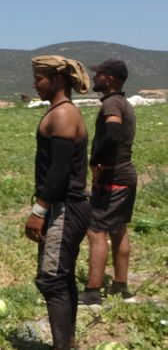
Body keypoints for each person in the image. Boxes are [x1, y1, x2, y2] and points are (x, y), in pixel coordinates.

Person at [25, 55, 91, 350]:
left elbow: (60, 172)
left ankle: (63, 346)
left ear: (57, 79)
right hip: (66, 207)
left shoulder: (63, 115)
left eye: (39, 78)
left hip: (64, 208)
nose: (35, 84)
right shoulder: (60, 112)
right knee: (61, 279)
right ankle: (68, 343)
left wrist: (39, 210)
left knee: (52, 280)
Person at [81, 59, 138, 306]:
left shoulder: (112, 103)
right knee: (118, 229)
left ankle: (93, 292)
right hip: (125, 177)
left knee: (96, 231)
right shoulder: (122, 102)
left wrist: (96, 162)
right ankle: (121, 287)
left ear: (111, 79)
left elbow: (112, 134)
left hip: (112, 178)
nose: (95, 78)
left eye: (100, 74)